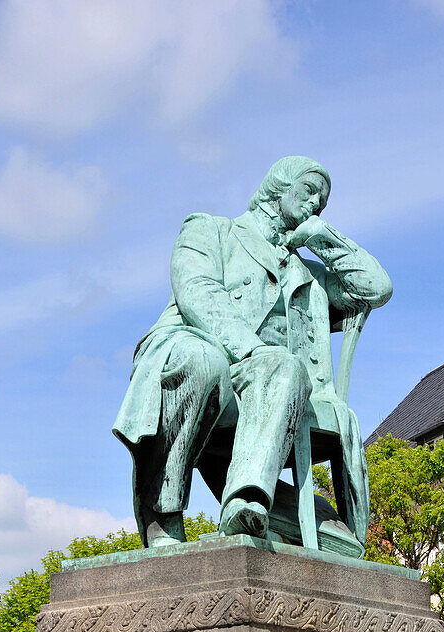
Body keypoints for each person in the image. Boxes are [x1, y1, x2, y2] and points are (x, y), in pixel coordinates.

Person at [113, 156, 392, 547]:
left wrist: (321, 236)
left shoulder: (307, 274)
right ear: (278, 185)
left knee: (284, 365)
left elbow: (376, 288)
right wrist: (251, 349)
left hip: (266, 383)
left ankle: (245, 503)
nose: (315, 204)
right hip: (198, 348)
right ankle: (162, 516)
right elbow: (198, 294)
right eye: (309, 192)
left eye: (322, 203)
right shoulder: (210, 230)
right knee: (203, 361)